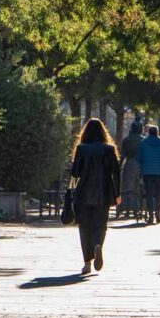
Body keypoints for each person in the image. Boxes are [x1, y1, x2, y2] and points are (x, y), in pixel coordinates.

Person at [69, 118, 122, 275]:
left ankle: (87, 263)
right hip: (104, 193)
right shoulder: (109, 149)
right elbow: (116, 173)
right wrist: (117, 194)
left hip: (83, 193)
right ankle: (98, 244)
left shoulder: (81, 149)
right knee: (101, 224)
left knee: (84, 227)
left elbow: (75, 173)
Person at [137, 125, 160, 225]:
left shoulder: (143, 143)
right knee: (158, 193)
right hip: (159, 172)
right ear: (157, 132)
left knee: (149, 194)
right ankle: (158, 214)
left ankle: (150, 215)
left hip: (147, 172)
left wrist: (144, 165)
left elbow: (138, 158)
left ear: (149, 132)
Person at [118, 122, 143, 218]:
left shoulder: (126, 140)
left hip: (129, 164)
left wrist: (119, 166)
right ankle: (137, 209)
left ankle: (127, 209)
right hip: (140, 165)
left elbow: (123, 155)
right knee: (138, 188)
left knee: (127, 188)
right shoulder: (142, 140)